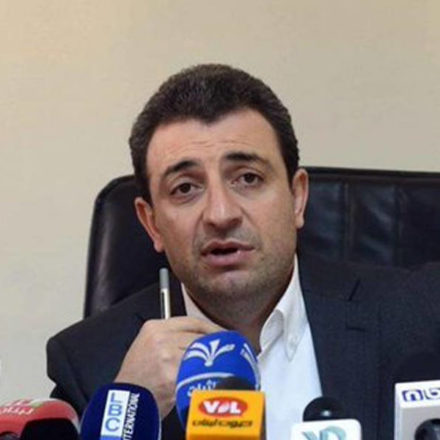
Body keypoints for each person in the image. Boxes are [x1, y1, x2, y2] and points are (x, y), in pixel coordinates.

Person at [47, 64, 440, 440]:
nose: (220, 214)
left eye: (248, 178)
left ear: (297, 198)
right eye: (185, 188)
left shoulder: (420, 313)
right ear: (151, 224)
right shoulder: (91, 365)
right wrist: (128, 412)